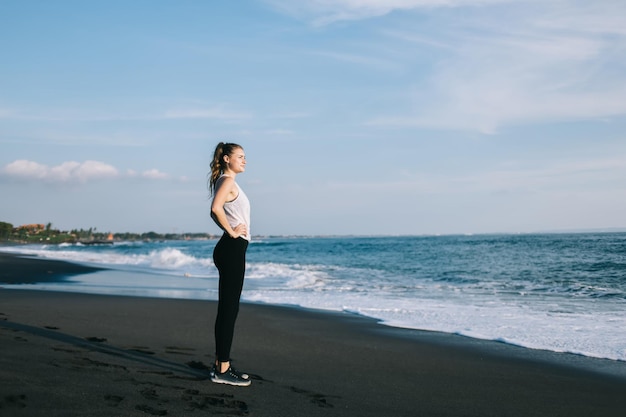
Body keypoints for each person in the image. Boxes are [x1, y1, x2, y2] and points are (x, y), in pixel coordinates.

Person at [207, 142, 252, 387]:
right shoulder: (227, 181)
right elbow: (215, 209)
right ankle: (223, 369)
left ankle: (220, 364)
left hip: (231, 248)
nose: (245, 161)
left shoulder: (226, 181)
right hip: (232, 248)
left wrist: (230, 231)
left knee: (228, 308)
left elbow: (218, 210)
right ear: (226, 159)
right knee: (229, 310)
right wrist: (232, 232)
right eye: (240, 157)